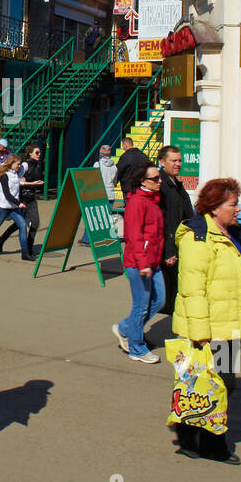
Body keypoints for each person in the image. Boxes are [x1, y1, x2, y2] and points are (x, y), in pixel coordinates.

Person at [174, 177, 241, 465]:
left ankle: (189, 436)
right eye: (233, 204)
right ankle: (213, 446)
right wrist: (201, 334)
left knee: (212, 385)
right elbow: (193, 288)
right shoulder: (197, 238)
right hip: (206, 328)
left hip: (228, 323)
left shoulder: (231, 233)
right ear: (214, 208)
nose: (238, 209)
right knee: (212, 386)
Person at [112, 164, 164, 364]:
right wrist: (143, 263)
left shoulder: (153, 199)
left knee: (159, 300)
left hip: (154, 261)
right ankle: (136, 348)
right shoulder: (137, 202)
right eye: (155, 178)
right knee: (141, 306)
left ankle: (125, 328)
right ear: (143, 181)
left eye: (159, 177)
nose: (159, 181)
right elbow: (133, 237)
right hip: (138, 263)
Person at [156, 146, 195, 315]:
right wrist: (169, 251)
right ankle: (132, 332)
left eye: (180, 160)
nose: (178, 164)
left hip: (180, 245)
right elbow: (165, 222)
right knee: (162, 298)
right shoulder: (161, 186)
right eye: (174, 160)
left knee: (174, 295)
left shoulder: (176, 183)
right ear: (162, 162)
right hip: (169, 249)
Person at [0, 144, 42, 254]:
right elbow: (17, 180)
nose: (39, 154)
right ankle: (3, 239)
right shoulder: (25, 165)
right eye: (37, 152)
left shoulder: (36, 165)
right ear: (30, 153)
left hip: (32, 197)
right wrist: (26, 182)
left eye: (40, 152)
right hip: (23, 197)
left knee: (34, 223)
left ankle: (29, 247)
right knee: (21, 224)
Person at [80, 144, 118, 246]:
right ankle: (104, 238)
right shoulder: (114, 167)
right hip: (110, 194)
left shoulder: (97, 164)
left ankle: (87, 239)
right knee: (106, 218)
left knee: (93, 217)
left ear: (100, 153)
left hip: (99, 193)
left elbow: (93, 179)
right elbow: (114, 181)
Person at [115, 135, 149, 205]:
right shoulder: (143, 156)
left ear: (125, 145)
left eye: (123, 146)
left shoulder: (125, 157)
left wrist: (115, 181)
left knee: (130, 209)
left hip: (128, 188)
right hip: (142, 188)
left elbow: (119, 171)